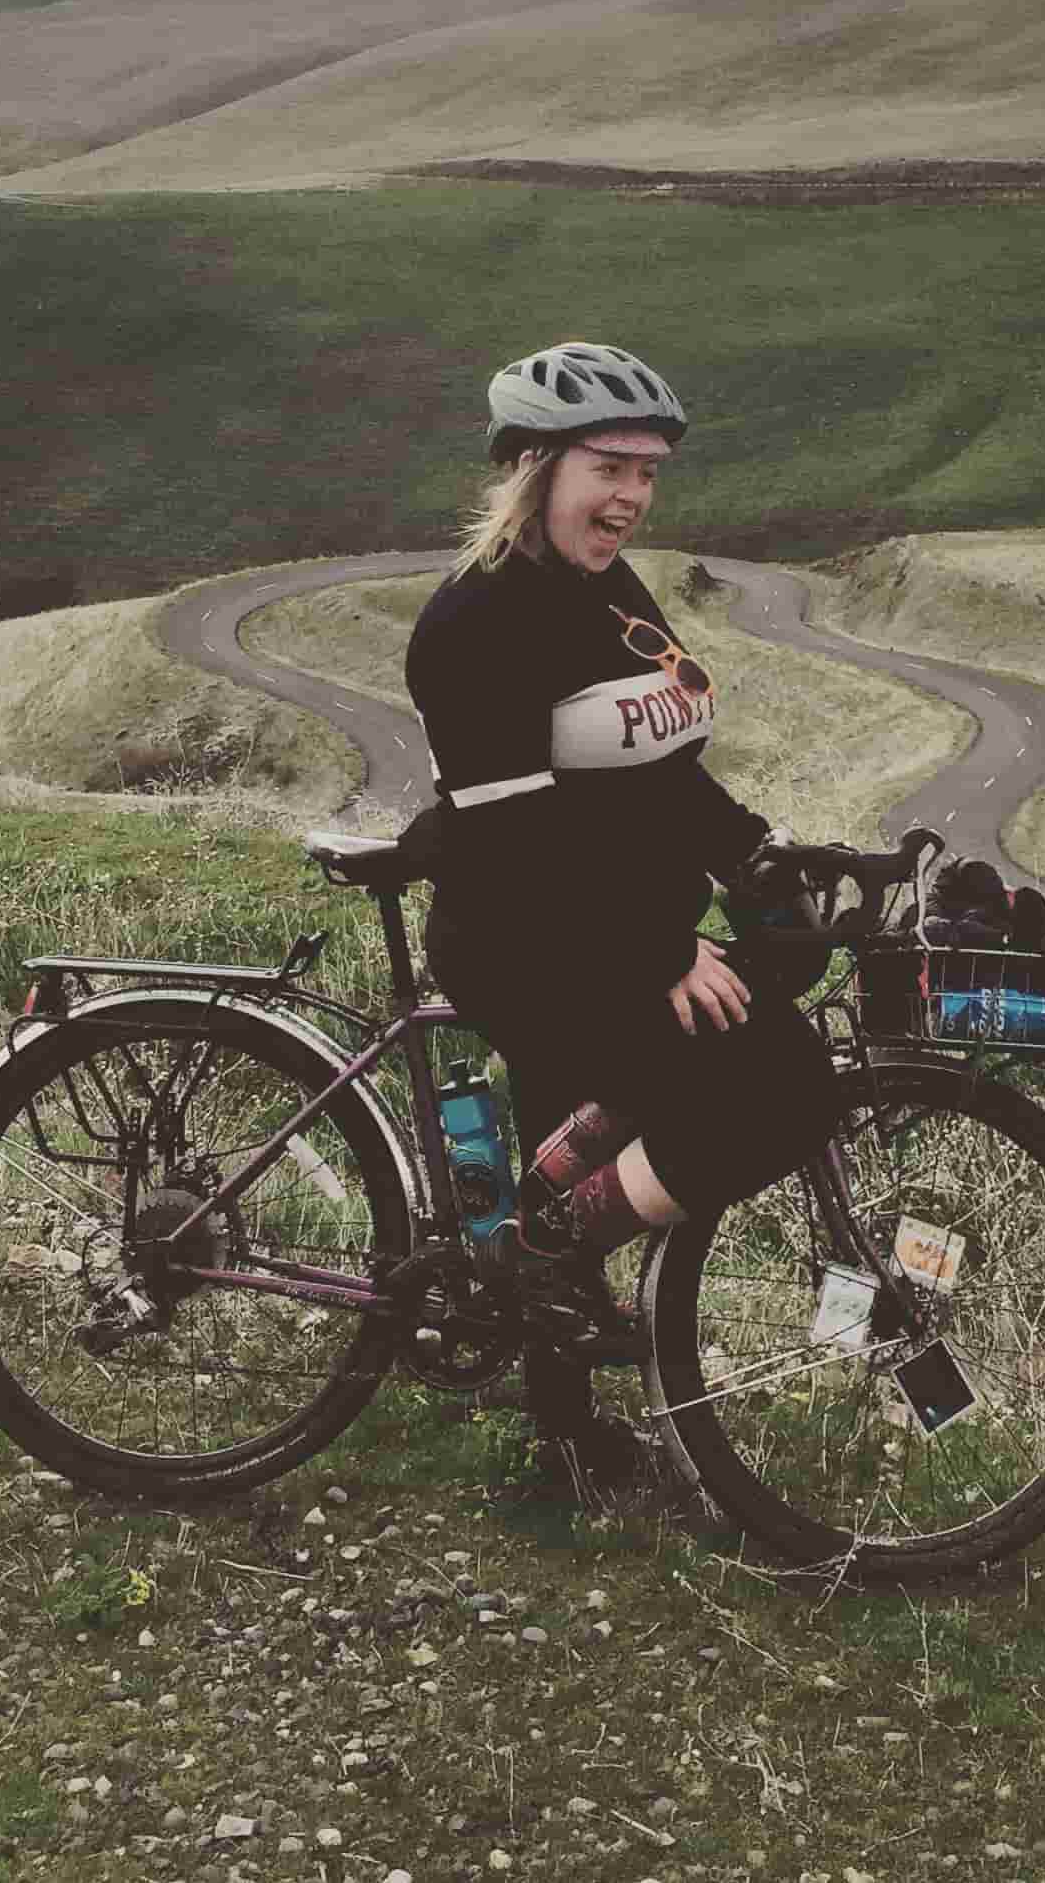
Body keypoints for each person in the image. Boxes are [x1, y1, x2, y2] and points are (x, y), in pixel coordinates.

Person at [402, 340, 839, 1492]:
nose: (633, 497)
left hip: (606, 928)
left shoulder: (607, 589)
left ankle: (563, 1426)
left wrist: (752, 850)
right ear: (535, 464)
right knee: (785, 1089)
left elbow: (662, 767)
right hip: (524, 939)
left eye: (648, 473)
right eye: (610, 467)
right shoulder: (474, 625)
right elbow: (514, 842)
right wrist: (658, 949)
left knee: (577, 1133)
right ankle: (544, 1252)